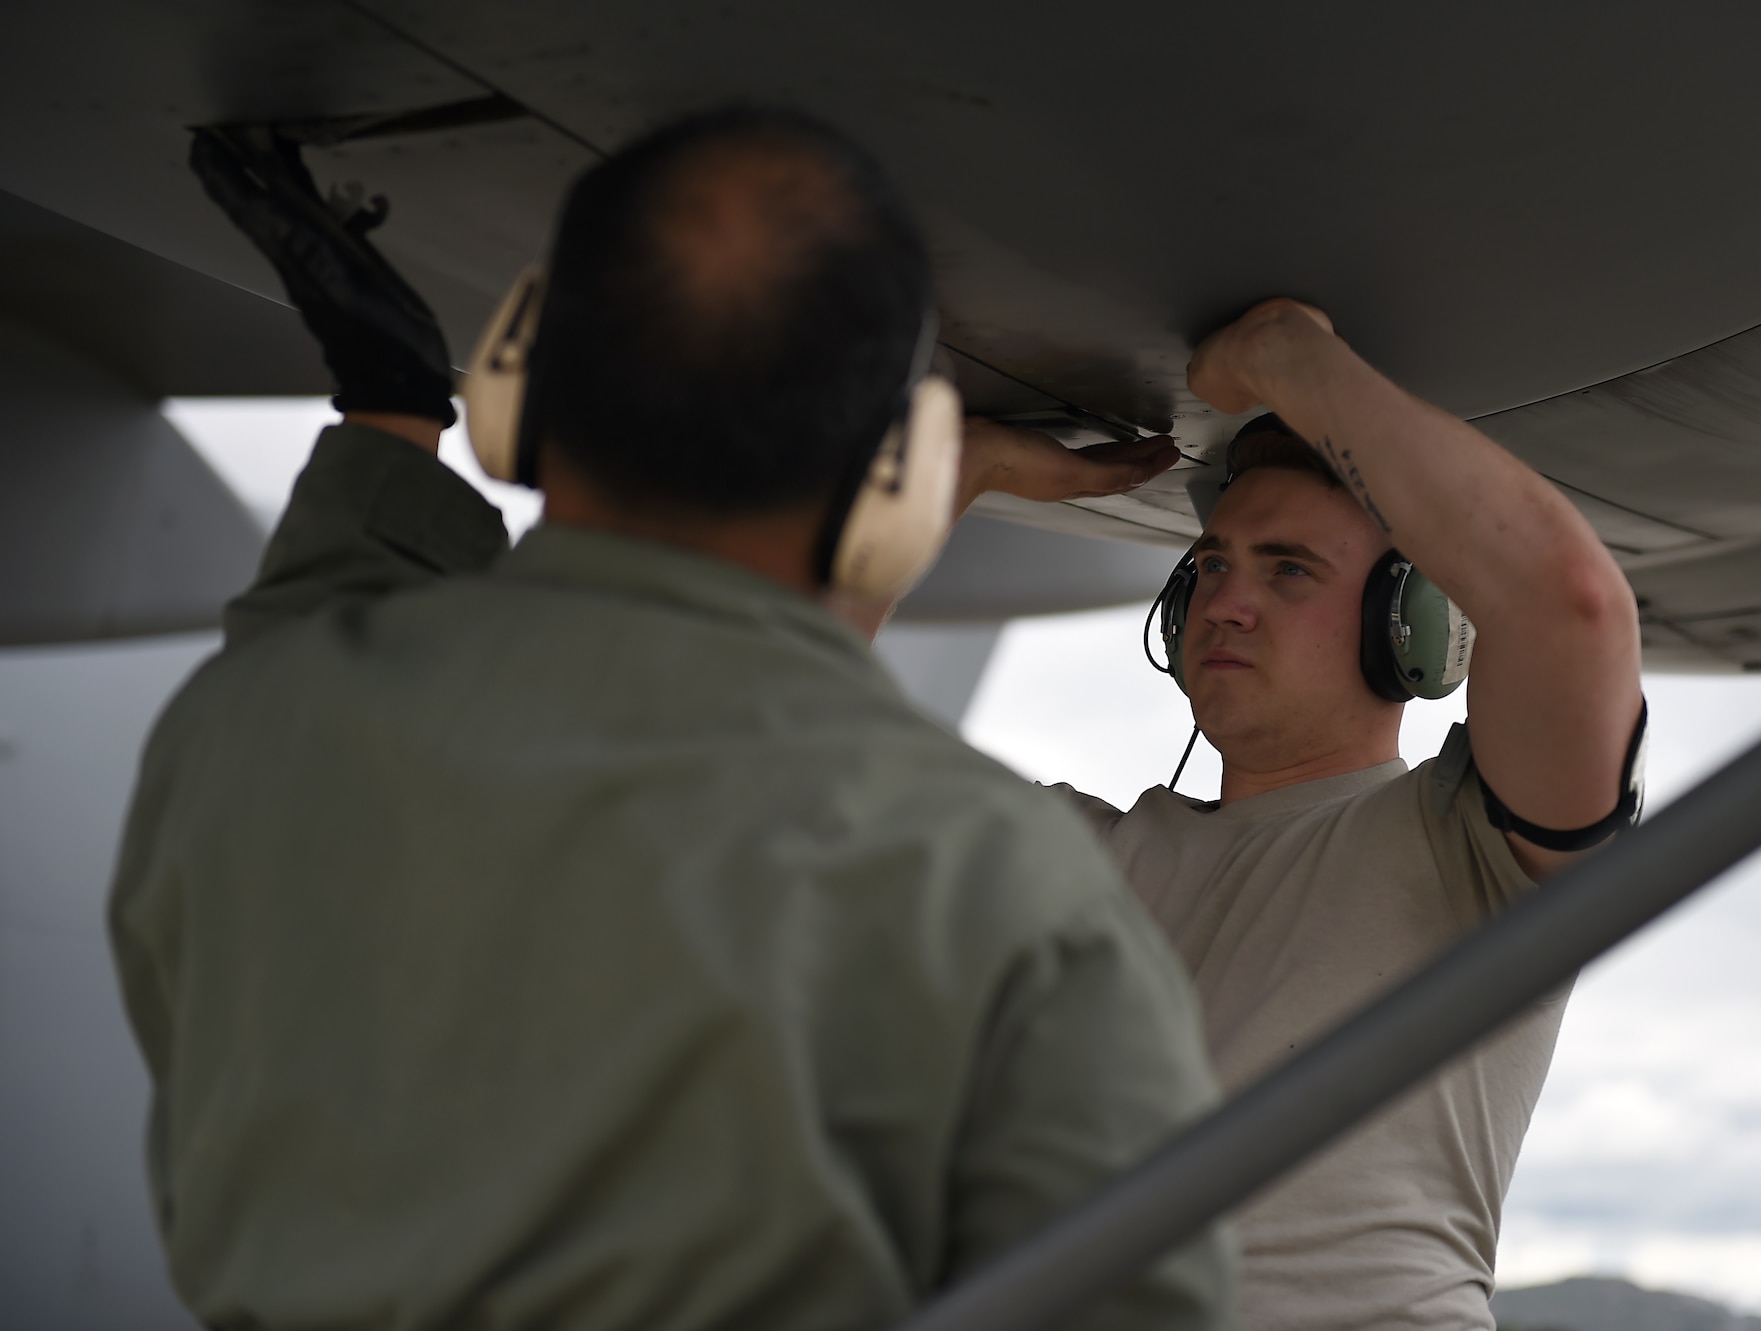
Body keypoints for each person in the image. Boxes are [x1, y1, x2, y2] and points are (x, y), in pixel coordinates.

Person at [107, 109, 1233, 1331]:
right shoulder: (999, 886)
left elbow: (321, 640)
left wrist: (389, 406)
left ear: (515, 385)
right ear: (892, 484)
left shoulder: (244, 729)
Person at [943, 298, 1646, 1330]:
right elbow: (771, 723)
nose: (1226, 599)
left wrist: (1285, 360)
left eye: (1288, 569)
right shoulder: (1082, 855)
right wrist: (954, 478)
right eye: (1213, 566)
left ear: (1404, 627)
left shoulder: (1472, 842)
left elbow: (1569, 602)